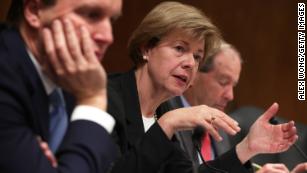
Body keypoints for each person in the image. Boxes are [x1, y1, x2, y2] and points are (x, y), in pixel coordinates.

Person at [107, 2, 297, 173]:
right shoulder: (106, 99)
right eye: (180, 48)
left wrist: (247, 147)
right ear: (146, 48)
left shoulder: (163, 112)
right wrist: (166, 124)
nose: (190, 63)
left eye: (197, 56)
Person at [0, 0, 122, 172]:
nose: (108, 37)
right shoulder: (5, 74)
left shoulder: (71, 77)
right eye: (91, 15)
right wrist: (92, 100)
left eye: (112, 20)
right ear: (34, 11)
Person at [163, 42, 306, 173]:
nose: (230, 96)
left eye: (233, 85)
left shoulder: (221, 128)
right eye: (223, 82)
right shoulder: (165, 114)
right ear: (195, 73)